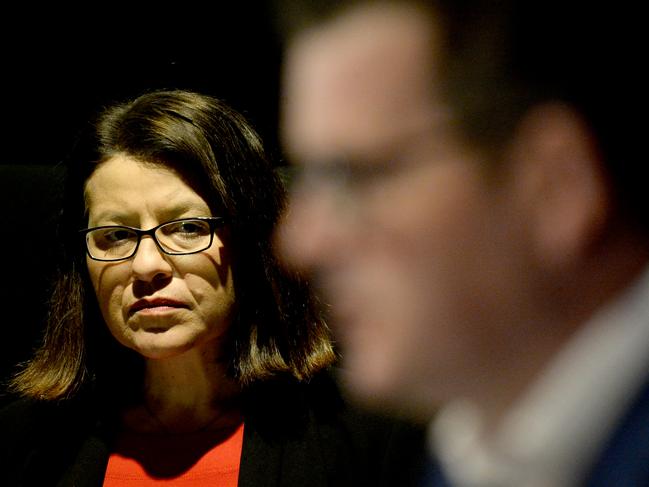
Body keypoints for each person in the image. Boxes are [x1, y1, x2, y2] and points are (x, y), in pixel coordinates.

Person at [274, 1, 649, 485]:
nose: (301, 245)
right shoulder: (466, 460)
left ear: (556, 186)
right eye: (310, 179)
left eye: (354, 179)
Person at [0, 89, 426, 486]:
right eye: (115, 235)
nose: (146, 265)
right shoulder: (22, 443)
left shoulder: (375, 436)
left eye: (187, 227)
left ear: (253, 240)